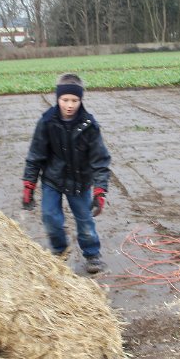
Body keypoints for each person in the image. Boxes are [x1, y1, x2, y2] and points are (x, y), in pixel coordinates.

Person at [22, 73, 112, 274]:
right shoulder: (47, 122)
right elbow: (35, 155)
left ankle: (92, 254)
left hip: (79, 181)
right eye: (65, 100)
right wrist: (29, 184)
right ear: (57, 98)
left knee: (85, 220)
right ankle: (60, 250)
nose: (69, 105)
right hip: (52, 179)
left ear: (81, 100)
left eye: (75, 100)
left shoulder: (89, 125)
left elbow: (100, 160)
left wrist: (99, 190)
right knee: (50, 217)